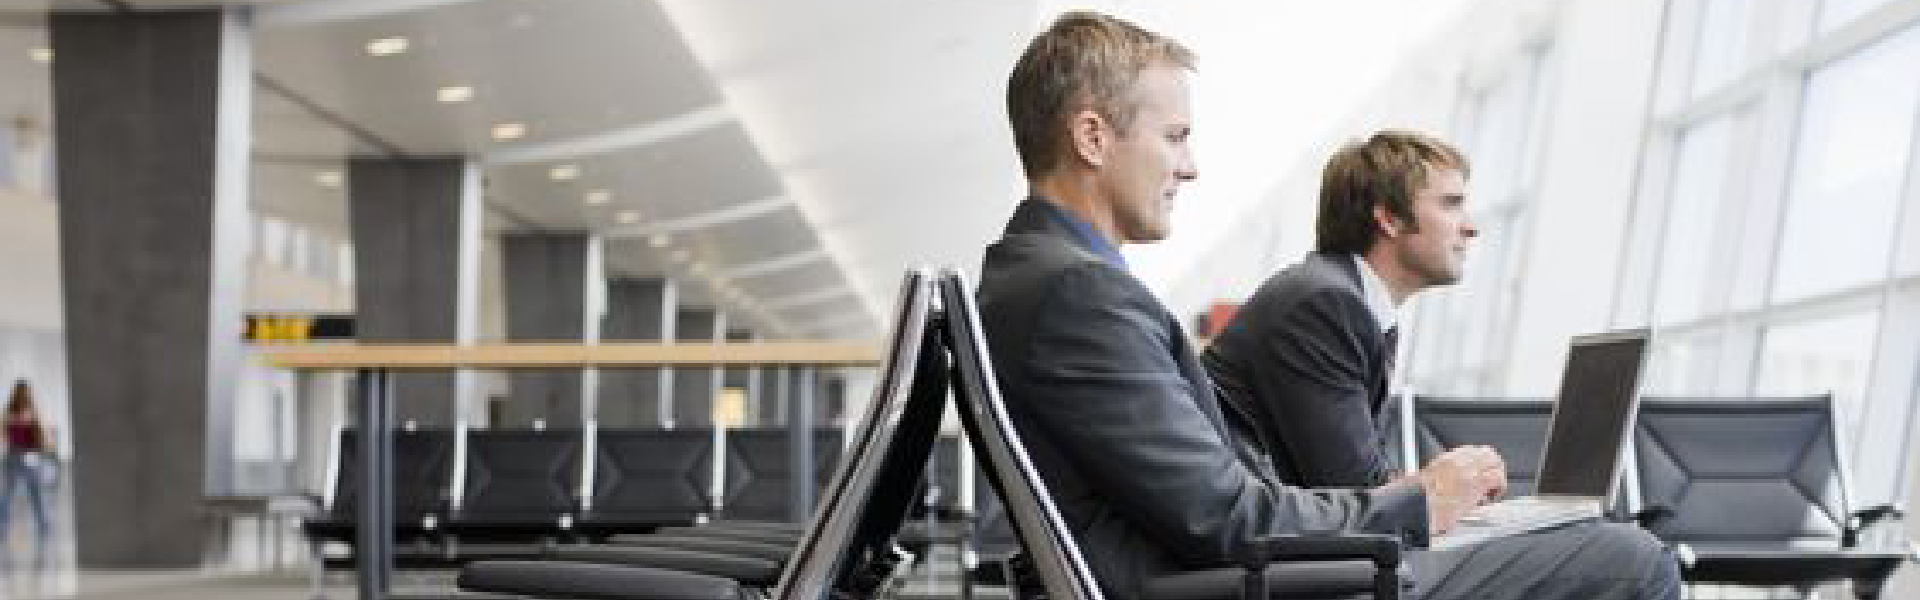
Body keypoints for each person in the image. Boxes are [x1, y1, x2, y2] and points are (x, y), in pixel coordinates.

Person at [975, 11, 1679, 600]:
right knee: (1631, 558)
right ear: (1093, 137)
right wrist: (1420, 500)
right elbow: (1231, 517)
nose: (1190, 166)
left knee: (1580, 541)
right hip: (1241, 581)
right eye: (1175, 136)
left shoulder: (1042, 276)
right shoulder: (1079, 292)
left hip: (1232, 570)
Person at [1204, 130, 1473, 488]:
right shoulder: (1326, 305)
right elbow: (1355, 493)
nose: (1470, 227)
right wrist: (1445, 487)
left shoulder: (1349, 302)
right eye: (1450, 204)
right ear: (1389, 219)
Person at [2, 380, 55, 559]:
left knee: (31, 495)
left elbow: (43, 437)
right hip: (20, 456)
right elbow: (3, 434)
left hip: (25, 456)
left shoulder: (22, 413)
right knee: (16, 496)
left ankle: (44, 528)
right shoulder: (18, 413)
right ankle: (42, 528)